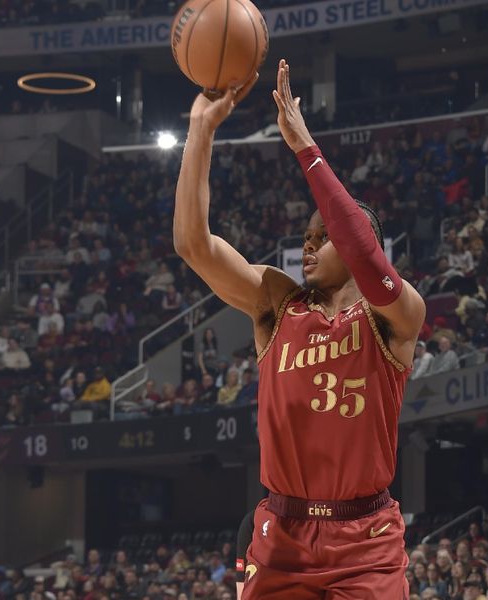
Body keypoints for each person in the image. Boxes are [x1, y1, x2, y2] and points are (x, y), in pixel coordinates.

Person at [173, 59, 425, 599]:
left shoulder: (396, 314)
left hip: (366, 539)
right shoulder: (277, 303)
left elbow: (359, 247)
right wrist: (201, 130)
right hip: (282, 535)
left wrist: (305, 148)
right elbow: (193, 244)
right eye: (306, 236)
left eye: (321, 235)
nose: (308, 245)